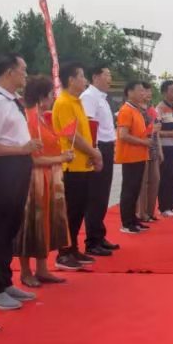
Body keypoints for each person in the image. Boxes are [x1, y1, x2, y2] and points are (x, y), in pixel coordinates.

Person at [0, 53, 41, 311]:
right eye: (22, 70)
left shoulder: (12, 101)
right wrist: (21, 149)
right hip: (2, 171)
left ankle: (4, 282)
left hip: (18, 169)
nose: (26, 74)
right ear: (9, 72)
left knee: (10, 228)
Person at [18, 75, 75, 286]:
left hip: (50, 176)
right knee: (31, 223)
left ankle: (42, 268)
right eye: (51, 95)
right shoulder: (31, 120)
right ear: (42, 97)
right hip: (35, 179)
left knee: (47, 223)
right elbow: (33, 158)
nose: (53, 99)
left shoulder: (44, 118)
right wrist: (61, 159)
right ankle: (25, 271)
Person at [52, 63, 107, 268]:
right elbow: (71, 136)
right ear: (71, 80)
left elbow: (85, 132)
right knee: (71, 211)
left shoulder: (76, 102)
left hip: (82, 164)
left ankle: (73, 248)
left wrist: (91, 152)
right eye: (82, 76)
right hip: (71, 166)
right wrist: (94, 152)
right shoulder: (64, 102)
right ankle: (64, 253)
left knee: (79, 210)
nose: (85, 80)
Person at [79, 63, 120, 255]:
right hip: (98, 147)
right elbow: (88, 126)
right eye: (107, 75)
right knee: (95, 196)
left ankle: (99, 235)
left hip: (107, 146)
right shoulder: (89, 96)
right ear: (95, 77)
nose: (110, 79)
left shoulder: (102, 98)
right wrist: (94, 151)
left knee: (103, 195)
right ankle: (92, 241)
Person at [116, 81, 154, 234]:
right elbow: (123, 135)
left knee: (135, 189)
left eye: (143, 91)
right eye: (139, 90)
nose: (143, 93)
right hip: (129, 156)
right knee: (129, 190)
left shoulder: (137, 110)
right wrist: (143, 142)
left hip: (139, 155)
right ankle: (126, 222)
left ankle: (133, 219)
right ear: (129, 92)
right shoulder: (126, 110)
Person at [156, 81, 173, 216]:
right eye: (172, 90)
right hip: (165, 147)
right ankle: (164, 207)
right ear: (165, 92)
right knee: (165, 177)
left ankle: (171, 205)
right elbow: (157, 132)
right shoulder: (160, 108)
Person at [136, 85, 162, 223]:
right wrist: (152, 130)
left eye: (150, 91)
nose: (148, 94)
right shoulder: (137, 109)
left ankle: (150, 211)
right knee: (143, 182)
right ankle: (141, 212)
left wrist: (160, 150)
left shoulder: (152, 109)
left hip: (153, 148)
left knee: (155, 180)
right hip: (142, 148)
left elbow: (157, 132)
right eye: (145, 91)